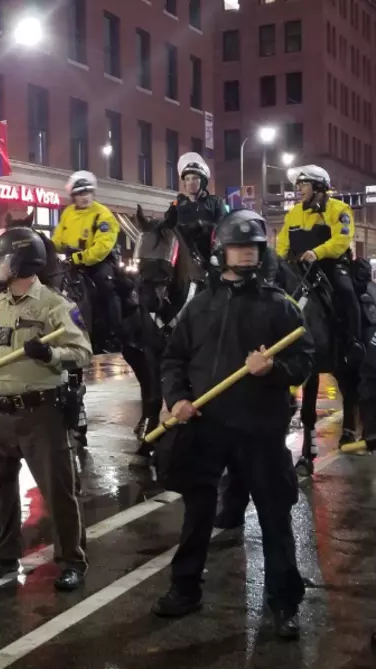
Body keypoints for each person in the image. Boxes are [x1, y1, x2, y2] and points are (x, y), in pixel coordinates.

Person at [154, 209, 313, 639]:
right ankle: (185, 589)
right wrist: (178, 398)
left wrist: (274, 368)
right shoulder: (199, 306)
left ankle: (284, 603)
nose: (245, 256)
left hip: (260, 433)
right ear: (220, 251)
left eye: (253, 249)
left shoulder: (280, 306)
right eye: (238, 248)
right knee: (198, 514)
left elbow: (305, 360)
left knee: (275, 516)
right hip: (207, 428)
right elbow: (173, 360)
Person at [0, 227, 92, 588]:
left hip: (40, 415)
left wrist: (51, 353)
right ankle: (4, 555)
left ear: (22, 263)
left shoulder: (54, 305)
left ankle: (71, 560)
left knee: (58, 491)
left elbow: (82, 353)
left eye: (4, 261)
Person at [277, 164, 364, 362]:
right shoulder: (294, 213)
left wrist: (317, 252)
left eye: (303, 184)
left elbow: (342, 240)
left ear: (318, 187)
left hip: (331, 265)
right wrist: (276, 262)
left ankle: (353, 342)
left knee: (347, 292)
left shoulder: (339, 209)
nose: (299, 190)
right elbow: (282, 242)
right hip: (300, 268)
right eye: (298, 185)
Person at [52, 170, 122, 350]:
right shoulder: (67, 213)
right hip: (71, 262)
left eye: (87, 192)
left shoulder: (103, 215)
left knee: (106, 287)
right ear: (73, 196)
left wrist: (79, 258)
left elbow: (101, 247)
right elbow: (58, 240)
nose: (85, 197)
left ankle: (114, 333)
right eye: (80, 194)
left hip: (97, 263)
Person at [156, 152, 229, 270]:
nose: (190, 182)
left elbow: (224, 226)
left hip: (209, 253)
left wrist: (202, 225)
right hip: (182, 254)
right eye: (187, 179)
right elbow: (168, 226)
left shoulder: (215, 202)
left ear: (203, 182)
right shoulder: (179, 203)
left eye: (195, 178)